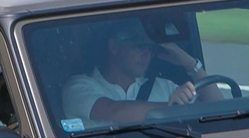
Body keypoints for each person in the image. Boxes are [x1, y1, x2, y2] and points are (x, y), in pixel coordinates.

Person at [60, 19, 206, 126]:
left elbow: (216, 105)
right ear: (114, 48)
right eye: (139, 46)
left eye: (150, 48)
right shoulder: (79, 86)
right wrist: (172, 107)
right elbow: (113, 110)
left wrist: (190, 63)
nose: (146, 54)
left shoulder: (164, 87)